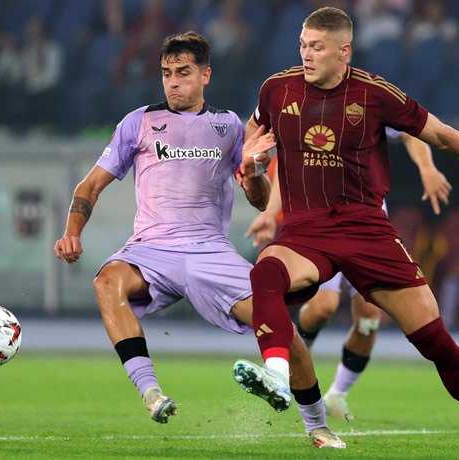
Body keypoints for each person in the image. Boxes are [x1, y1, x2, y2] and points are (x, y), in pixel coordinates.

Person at [232, 7, 459, 452]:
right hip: (305, 231)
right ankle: (278, 376)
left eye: (316, 46)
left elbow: (442, 136)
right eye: (302, 44)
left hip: (368, 232)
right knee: (265, 272)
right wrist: (251, 168)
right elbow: (256, 181)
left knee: (433, 339)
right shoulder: (276, 90)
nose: (306, 54)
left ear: (344, 50)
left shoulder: (375, 93)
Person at [53, 31, 345, 449]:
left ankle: (317, 426)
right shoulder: (138, 122)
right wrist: (71, 233)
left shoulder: (228, 126)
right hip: (150, 249)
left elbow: (260, 201)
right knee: (106, 280)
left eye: (183, 73)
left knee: (286, 335)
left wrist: (255, 169)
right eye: (167, 73)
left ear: (205, 75)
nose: (173, 82)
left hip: (210, 253)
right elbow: (90, 185)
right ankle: (151, 393)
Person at [246, 128, 452, 421]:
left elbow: (412, 131)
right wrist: (269, 213)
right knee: (322, 308)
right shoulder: (310, 112)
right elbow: (286, 164)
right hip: (324, 229)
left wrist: (428, 168)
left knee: (368, 322)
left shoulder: (370, 98)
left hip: (369, 232)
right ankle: (297, 359)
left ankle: (337, 394)